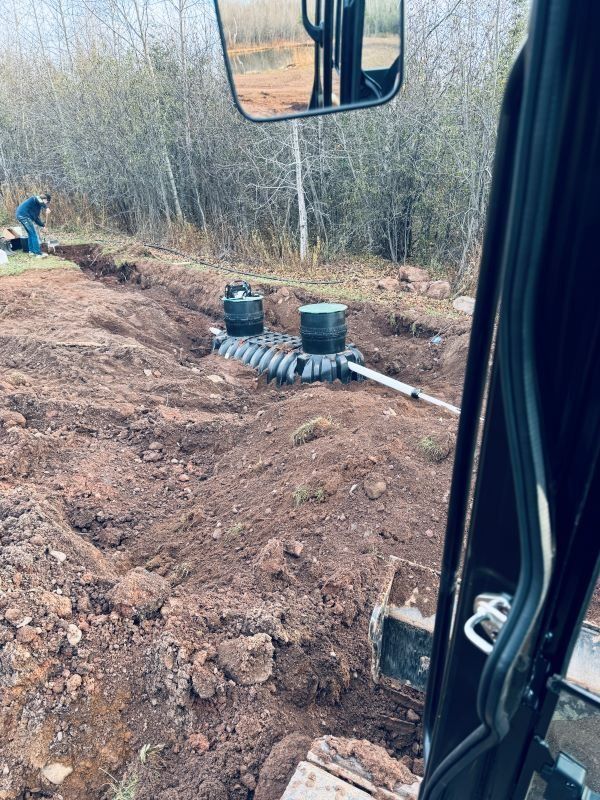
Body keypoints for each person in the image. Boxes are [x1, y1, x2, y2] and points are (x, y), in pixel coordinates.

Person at [15, 193, 51, 258]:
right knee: (34, 234)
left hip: (22, 216)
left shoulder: (37, 206)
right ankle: (38, 254)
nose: (46, 203)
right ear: (44, 199)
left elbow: (36, 218)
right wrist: (46, 208)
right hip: (24, 215)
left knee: (30, 234)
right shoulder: (34, 198)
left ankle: (31, 252)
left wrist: (43, 225)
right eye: (47, 202)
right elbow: (39, 199)